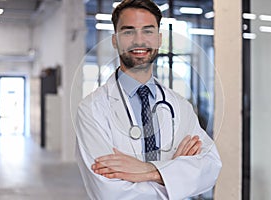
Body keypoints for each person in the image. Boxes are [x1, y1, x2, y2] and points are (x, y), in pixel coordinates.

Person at [75, 0, 222, 199]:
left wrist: (149, 171)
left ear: (159, 39)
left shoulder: (179, 106)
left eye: (148, 31)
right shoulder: (91, 109)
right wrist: (174, 176)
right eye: (128, 31)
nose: (139, 41)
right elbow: (109, 192)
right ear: (115, 40)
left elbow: (210, 167)